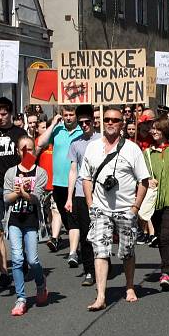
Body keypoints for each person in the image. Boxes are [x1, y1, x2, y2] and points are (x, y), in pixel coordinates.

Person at [80, 107, 150, 311]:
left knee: (126, 251)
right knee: (100, 251)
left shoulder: (131, 149)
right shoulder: (92, 148)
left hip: (125, 208)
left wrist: (135, 208)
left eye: (115, 120)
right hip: (100, 208)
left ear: (122, 124)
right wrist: (90, 203)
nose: (110, 123)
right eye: (107, 119)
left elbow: (143, 181)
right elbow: (85, 177)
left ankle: (129, 286)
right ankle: (101, 295)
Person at [4, 136, 49, 316]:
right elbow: (6, 198)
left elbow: (38, 198)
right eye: (22, 149)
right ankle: (21, 298)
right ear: (17, 151)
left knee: (32, 260)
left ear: (34, 152)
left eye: (29, 149)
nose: (26, 153)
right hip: (14, 220)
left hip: (31, 220)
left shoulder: (40, 173)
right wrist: (17, 194)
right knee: (16, 259)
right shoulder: (10, 172)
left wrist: (25, 193)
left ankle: (40, 283)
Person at [0, 97, 27, 288]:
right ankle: (3, 272)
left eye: (4, 114)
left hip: (16, 187)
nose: (0, 117)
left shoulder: (19, 133)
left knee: (19, 227)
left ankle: (23, 259)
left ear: (10, 113)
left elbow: (29, 158)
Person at [144, 116, 169, 290]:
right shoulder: (147, 153)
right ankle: (168, 266)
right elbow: (141, 174)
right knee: (161, 236)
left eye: (158, 128)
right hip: (154, 201)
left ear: (166, 130)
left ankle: (165, 271)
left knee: (167, 235)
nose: (154, 131)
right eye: (152, 128)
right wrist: (148, 180)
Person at [36, 106, 82, 253]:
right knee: (65, 217)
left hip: (77, 182)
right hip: (58, 182)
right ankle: (78, 239)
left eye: (71, 114)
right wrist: (53, 124)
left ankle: (74, 250)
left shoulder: (82, 130)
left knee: (74, 217)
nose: (68, 117)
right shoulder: (57, 129)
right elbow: (41, 143)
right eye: (66, 115)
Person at [65, 105, 100, 283]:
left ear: (94, 121)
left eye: (87, 122)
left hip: (101, 192)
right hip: (80, 193)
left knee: (101, 233)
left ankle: (103, 264)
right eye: (81, 123)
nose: (84, 125)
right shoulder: (75, 143)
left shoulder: (102, 139)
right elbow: (73, 171)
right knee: (86, 233)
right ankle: (89, 270)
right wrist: (69, 197)